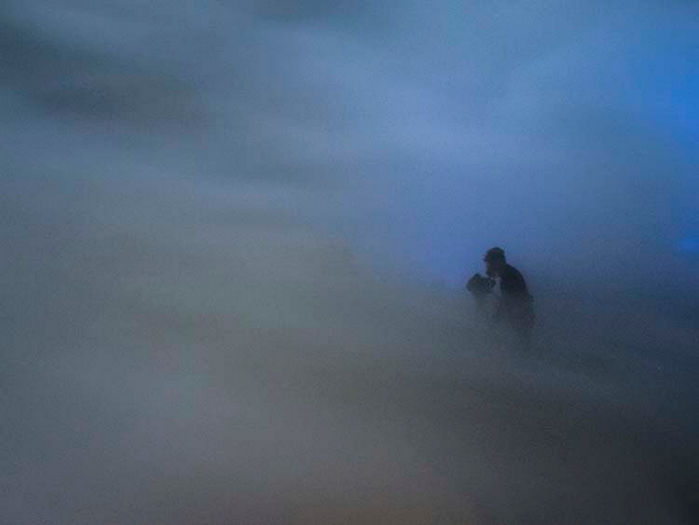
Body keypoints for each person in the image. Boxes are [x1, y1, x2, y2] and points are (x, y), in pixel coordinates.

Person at [481, 247, 535, 348]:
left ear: (498, 262)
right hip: (522, 318)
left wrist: (496, 317)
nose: (488, 266)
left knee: (522, 348)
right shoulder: (508, 274)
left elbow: (509, 301)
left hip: (521, 319)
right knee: (522, 345)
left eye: (490, 263)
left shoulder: (509, 276)